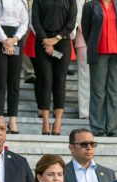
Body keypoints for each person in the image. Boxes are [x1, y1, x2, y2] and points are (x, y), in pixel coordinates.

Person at [82, 0, 117, 137]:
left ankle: (112, 128)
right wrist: (92, 45)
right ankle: (97, 128)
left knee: (114, 92)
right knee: (98, 91)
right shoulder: (90, 6)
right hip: (99, 53)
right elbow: (86, 30)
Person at [31, 0, 77, 135]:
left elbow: (71, 22)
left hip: (62, 42)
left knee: (60, 81)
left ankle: (57, 122)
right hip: (42, 42)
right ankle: (45, 122)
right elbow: (35, 21)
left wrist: (56, 39)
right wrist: (46, 40)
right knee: (45, 79)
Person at [0, 0, 29, 134]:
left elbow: (25, 21)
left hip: (16, 38)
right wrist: (5, 40)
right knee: (0, 81)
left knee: (14, 82)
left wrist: (14, 39)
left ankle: (12, 120)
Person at [74, 0, 90, 120]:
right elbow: (78, 17)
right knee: (84, 76)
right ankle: (84, 111)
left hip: (102, 42)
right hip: (84, 40)